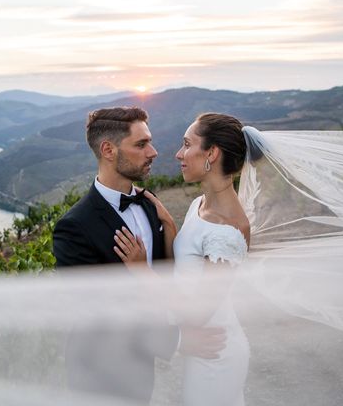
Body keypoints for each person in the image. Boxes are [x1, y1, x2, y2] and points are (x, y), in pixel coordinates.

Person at [52, 106, 226, 404]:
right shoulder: (74, 227)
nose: (154, 152)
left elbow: (165, 281)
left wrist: (169, 228)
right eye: (141, 144)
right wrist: (178, 340)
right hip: (97, 378)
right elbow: (97, 314)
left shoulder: (149, 206)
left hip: (141, 375)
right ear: (108, 149)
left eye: (150, 142)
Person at [114, 112, 251, 406]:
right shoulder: (199, 205)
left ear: (211, 153)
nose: (178, 154)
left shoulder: (230, 229)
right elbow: (191, 271)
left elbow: (197, 312)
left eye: (187, 144)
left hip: (216, 351)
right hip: (204, 348)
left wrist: (143, 273)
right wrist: (172, 231)